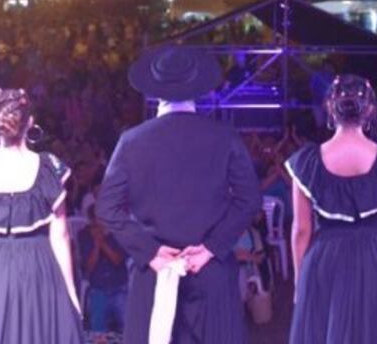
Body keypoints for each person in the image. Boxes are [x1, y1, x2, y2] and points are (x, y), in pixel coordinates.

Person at [97, 46, 261, 344]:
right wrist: (211, 248)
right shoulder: (224, 137)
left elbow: (108, 208)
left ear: (154, 91)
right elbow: (249, 200)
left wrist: (151, 252)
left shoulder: (132, 141)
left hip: (155, 273)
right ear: (197, 90)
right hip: (212, 272)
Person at [286, 74, 377, 344]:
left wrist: (299, 282)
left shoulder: (308, 162)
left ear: (330, 108)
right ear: (370, 110)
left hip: (326, 260)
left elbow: (301, 230)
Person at [0, 88, 84, 344]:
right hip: (36, 265)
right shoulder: (48, 166)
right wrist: (70, 293)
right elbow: (61, 236)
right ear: (30, 122)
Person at [78, 205, 129, 333]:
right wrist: (96, 244)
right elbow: (89, 267)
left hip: (120, 289)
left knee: (128, 330)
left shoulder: (118, 233)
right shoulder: (83, 235)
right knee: (98, 333)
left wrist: (102, 243)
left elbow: (117, 260)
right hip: (98, 291)